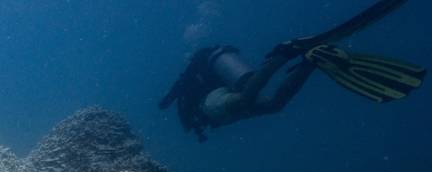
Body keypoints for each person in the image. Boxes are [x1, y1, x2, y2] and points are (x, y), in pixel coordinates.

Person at [159, 0, 425, 142]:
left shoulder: (190, 77)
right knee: (274, 105)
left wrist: (168, 101)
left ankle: (281, 55)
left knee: (243, 100)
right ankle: (309, 62)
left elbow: (170, 98)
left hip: (211, 104)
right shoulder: (201, 71)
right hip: (223, 100)